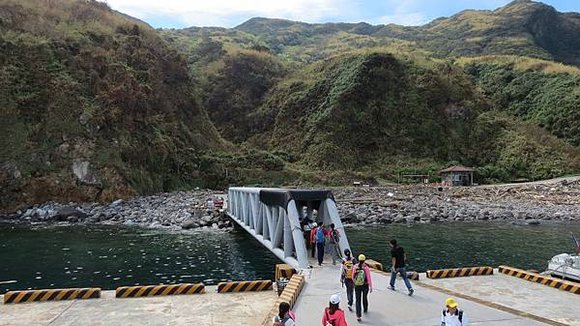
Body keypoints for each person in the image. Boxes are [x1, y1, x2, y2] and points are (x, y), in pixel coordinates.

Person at [352, 254, 372, 322]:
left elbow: (353, 277)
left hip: (357, 285)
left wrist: (354, 283)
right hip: (365, 285)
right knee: (364, 297)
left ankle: (358, 316)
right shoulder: (366, 267)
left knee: (358, 300)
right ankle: (365, 308)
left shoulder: (355, 266)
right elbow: (369, 277)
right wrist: (371, 286)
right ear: (364, 260)